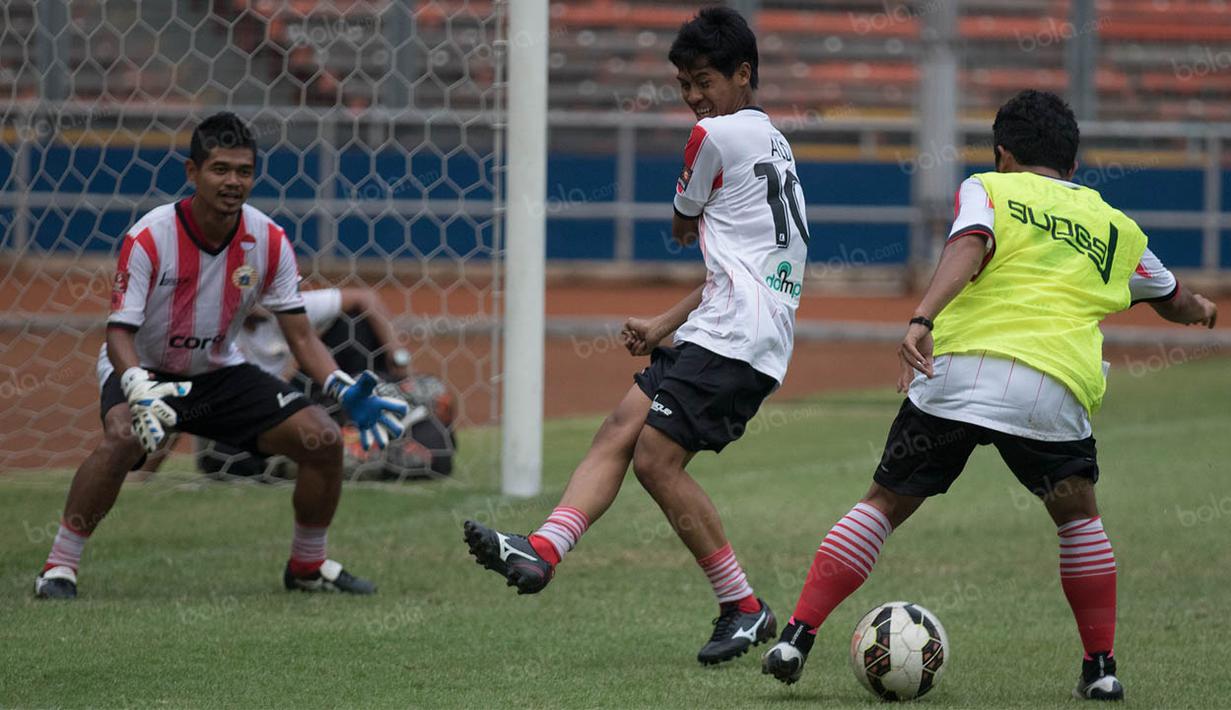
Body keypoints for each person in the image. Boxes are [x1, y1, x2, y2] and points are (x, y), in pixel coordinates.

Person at [760, 90, 1218, 701]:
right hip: (1051, 390)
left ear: (1003, 154)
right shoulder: (1117, 228)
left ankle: (796, 636)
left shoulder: (989, 189)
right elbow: (1173, 298)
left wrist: (922, 317)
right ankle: (1101, 670)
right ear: (1073, 167)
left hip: (956, 376)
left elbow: (969, 243)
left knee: (885, 502)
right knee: (1078, 519)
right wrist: (1204, 312)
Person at [463, 7, 810, 665]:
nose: (692, 97)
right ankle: (541, 551)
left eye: (703, 79)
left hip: (734, 336)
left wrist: (691, 229)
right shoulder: (774, 141)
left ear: (743, 74)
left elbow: (683, 228)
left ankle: (741, 605)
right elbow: (745, 264)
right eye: (683, 84)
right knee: (620, 428)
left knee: (654, 457)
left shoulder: (710, 136)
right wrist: (665, 324)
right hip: (735, 325)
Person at [34, 112, 410, 599]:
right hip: (144, 370)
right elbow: (118, 335)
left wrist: (338, 383)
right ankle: (60, 567)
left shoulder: (269, 240)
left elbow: (300, 336)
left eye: (244, 171)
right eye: (221, 169)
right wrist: (137, 386)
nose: (233, 181)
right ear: (192, 172)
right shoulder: (149, 237)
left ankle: (307, 566)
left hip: (218, 374)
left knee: (322, 438)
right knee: (123, 437)